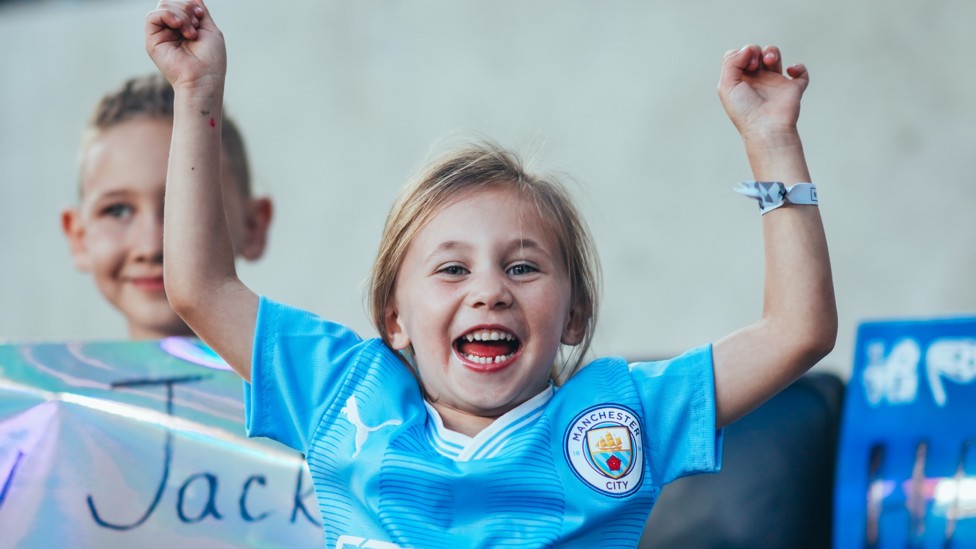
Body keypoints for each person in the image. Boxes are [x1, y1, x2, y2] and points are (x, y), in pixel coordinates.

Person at [145, 1, 837, 546]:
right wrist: (197, 93)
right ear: (394, 318)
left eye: (524, 266)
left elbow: (796, 332)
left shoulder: (620, 416)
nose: (489, 289)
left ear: (574, 315)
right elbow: (200, 287)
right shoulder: (342, 392)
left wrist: (772, 141)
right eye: (451, 268)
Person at [61, 72, 273, 339]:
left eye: (184, 209)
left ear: (254, 225)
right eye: (118, 210)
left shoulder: (307, 380)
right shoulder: (43, 379)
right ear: (78, 236)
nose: (151, 247)